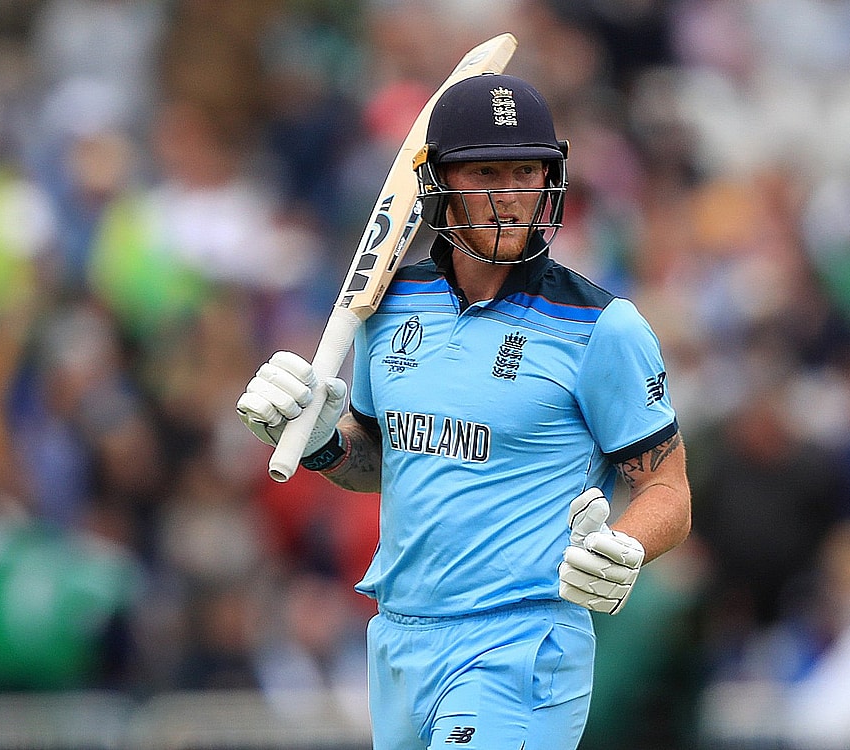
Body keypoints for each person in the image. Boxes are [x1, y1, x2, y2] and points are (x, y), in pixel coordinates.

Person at [236, 72, 691, 749]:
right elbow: (386, 463)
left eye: (526, 172)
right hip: (399, 638)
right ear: (437, 183)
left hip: (520, 642)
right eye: (486, 173)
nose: (511, 196)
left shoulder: (603, 327)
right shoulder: (387, 304)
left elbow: (668, 490)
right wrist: (322, 440)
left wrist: (627, 544)